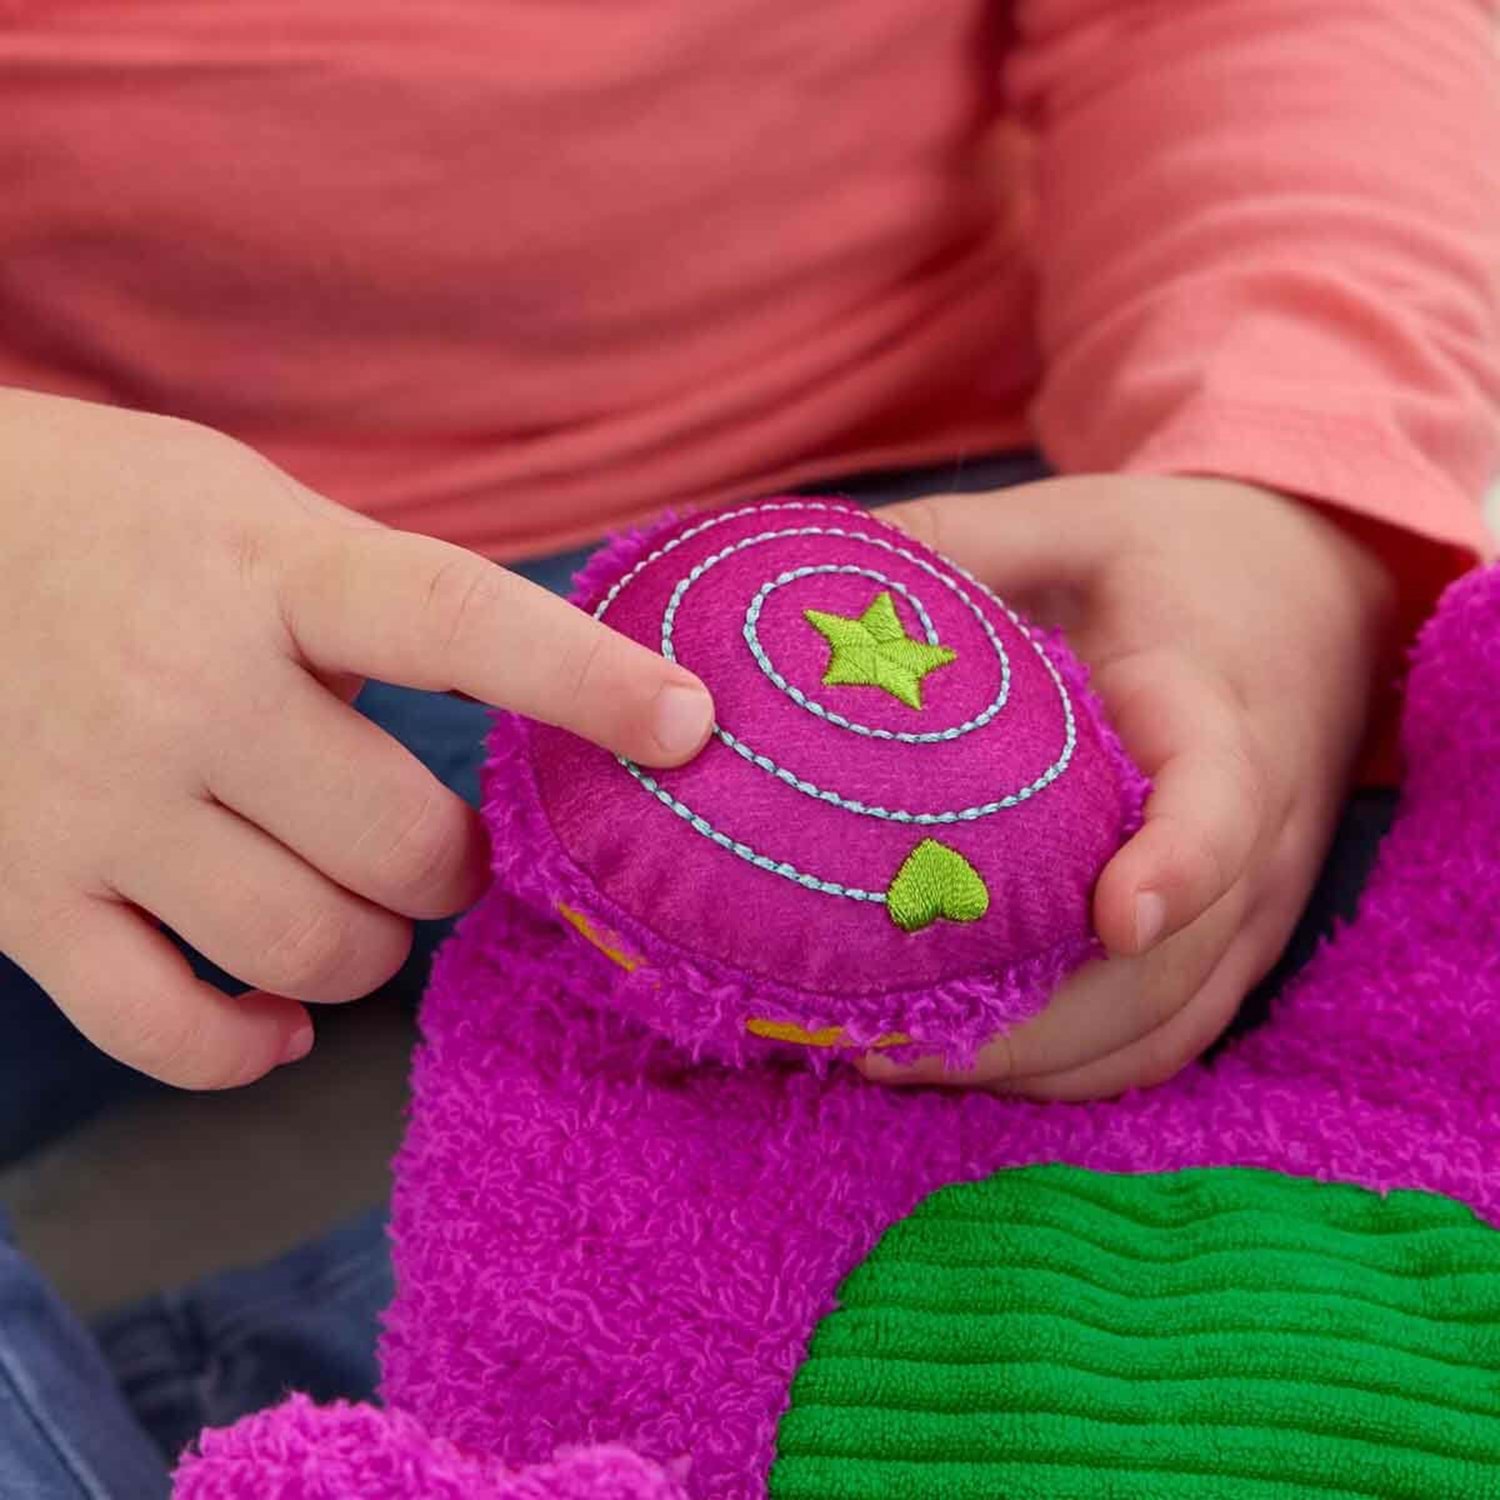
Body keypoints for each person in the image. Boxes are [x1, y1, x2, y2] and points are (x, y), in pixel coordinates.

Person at [0, 1, 1495, 1492]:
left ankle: (333, 1392)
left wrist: (1279, 497)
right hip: (67, 605)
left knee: (1362, 1004)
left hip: (916, 530)